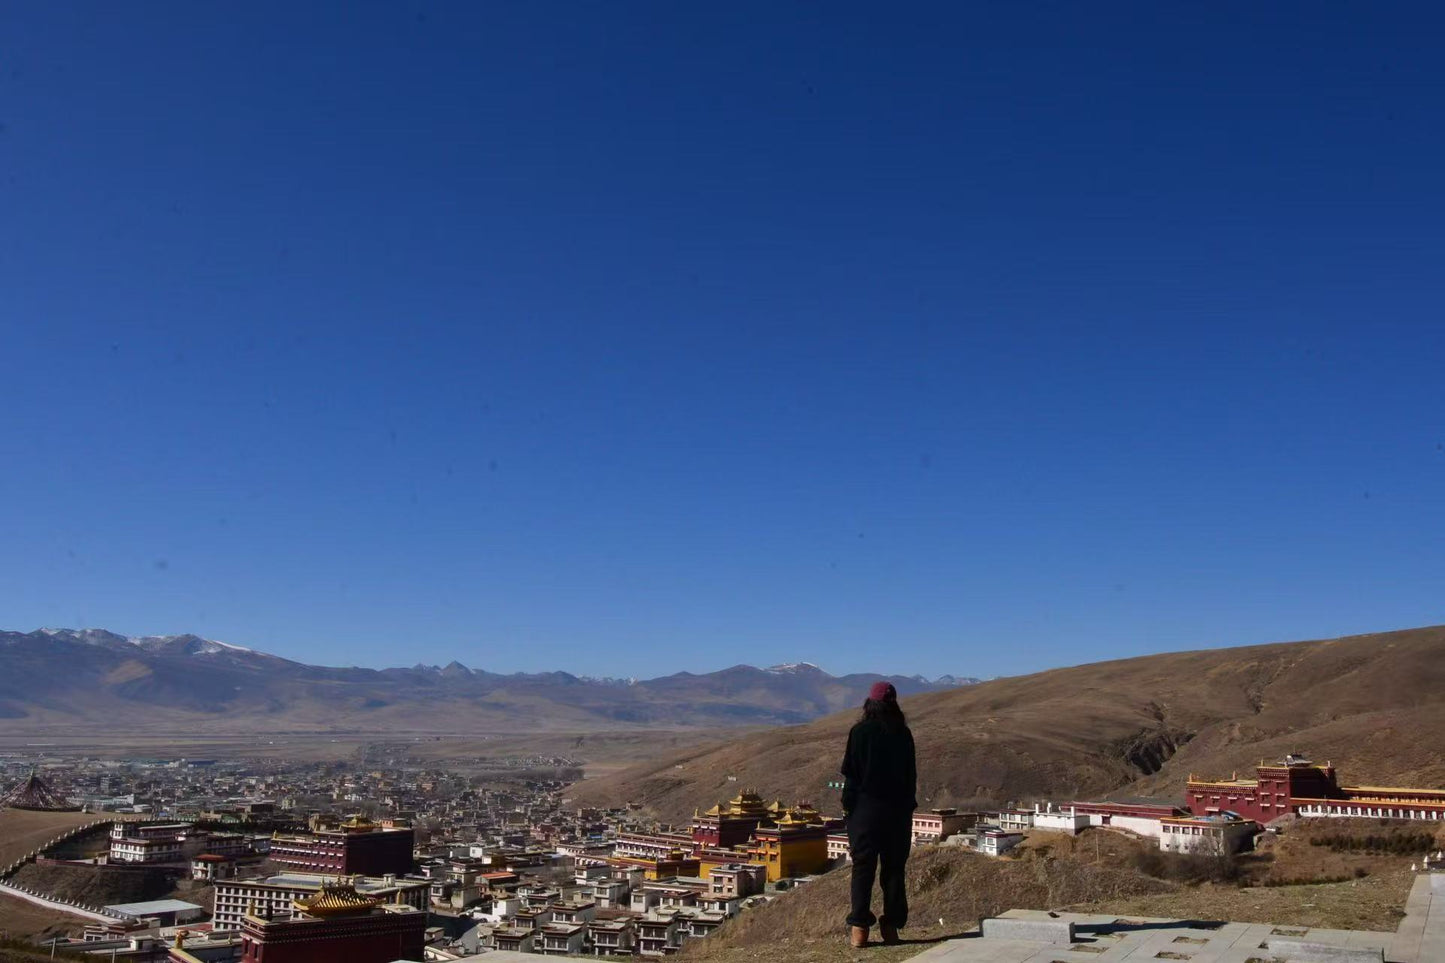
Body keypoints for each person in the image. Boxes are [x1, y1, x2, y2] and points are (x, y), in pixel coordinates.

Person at [839, 680, 917, 948]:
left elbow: (851, 777)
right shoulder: (904, 734)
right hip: (897, 813)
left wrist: (849, 810)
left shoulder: (859, 732)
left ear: (869, 703)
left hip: (865, 812)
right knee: (894, 870)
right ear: (894, 703)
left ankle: (859, 929)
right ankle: (891, 926)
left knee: (863, 869)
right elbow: (911, 777)